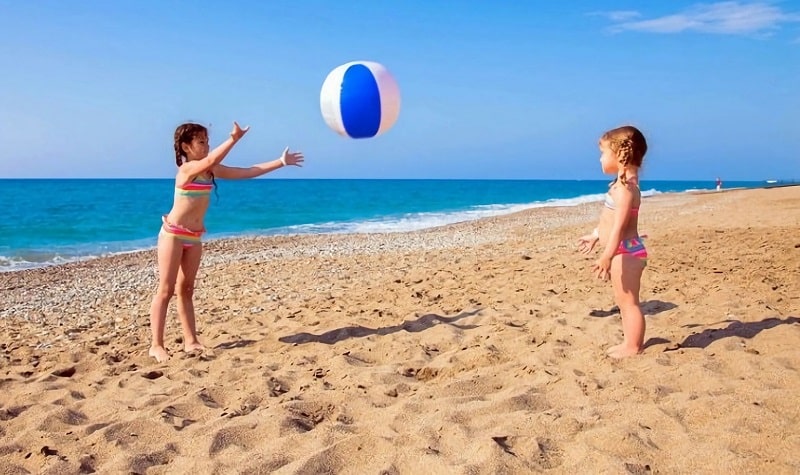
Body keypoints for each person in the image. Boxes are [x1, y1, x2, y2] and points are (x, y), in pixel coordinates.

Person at [148, 121, 305, 362]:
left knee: (186, 289)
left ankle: (191, 341)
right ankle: (156, 345)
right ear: (185, 146)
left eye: (207, 141)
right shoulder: (186, 170)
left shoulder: (211, 170)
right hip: (173, 234)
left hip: (194, 236)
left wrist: (280, 162)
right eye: (201, 142)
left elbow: (247, 171)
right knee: (166, 290)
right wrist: (234, 139)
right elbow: (210, 161)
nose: (206, 146)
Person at [577, 125, 648, 358]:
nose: (600, 158)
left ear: (619, 155)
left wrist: (606, 256)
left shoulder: (626, 190)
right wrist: (596, 234)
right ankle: (629, 342)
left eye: (603, 153)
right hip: (621, 250)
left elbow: (619, 227)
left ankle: (633, 346)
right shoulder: (621, 185)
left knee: (629, 303)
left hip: (624, 252)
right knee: (622, 301)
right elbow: (609, 222)